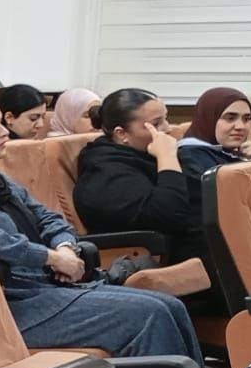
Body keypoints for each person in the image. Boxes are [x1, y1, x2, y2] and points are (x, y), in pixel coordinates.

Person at [0, 94, 203, 361]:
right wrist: (50, 258)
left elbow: (47, 217)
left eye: (1, 124)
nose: (4, 133)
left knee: (170, 306)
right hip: (8, 303)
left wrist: (65, 247)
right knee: (149, 314)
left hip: (44, 287)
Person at [73, 88, 220, 312]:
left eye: (166, 119)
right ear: (122, 134)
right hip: (158, 255)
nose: (167, 128)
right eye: (156, 123)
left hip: (193, 246)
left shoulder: (147, 156)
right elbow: (170, 215)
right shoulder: (105, 174)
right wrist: (167, 157)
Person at [177, 88, 251, 180]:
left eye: (246, 119)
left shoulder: (237, 154)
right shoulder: (191, 157)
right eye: (230, 118)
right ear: (208, 119)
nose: (240, 126)